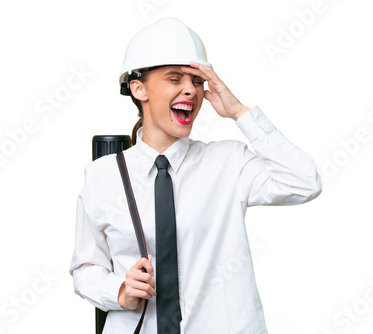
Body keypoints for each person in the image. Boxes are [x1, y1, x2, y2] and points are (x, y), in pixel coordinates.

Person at [69, 17, 322, 334]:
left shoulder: (228, 162)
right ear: (138, 88)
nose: (190, 90)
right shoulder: (102, 175)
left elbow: (304, 182)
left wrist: (239, 112)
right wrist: (119, 292)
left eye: (197, 82)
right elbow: (85, 268)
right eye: (175, 79)